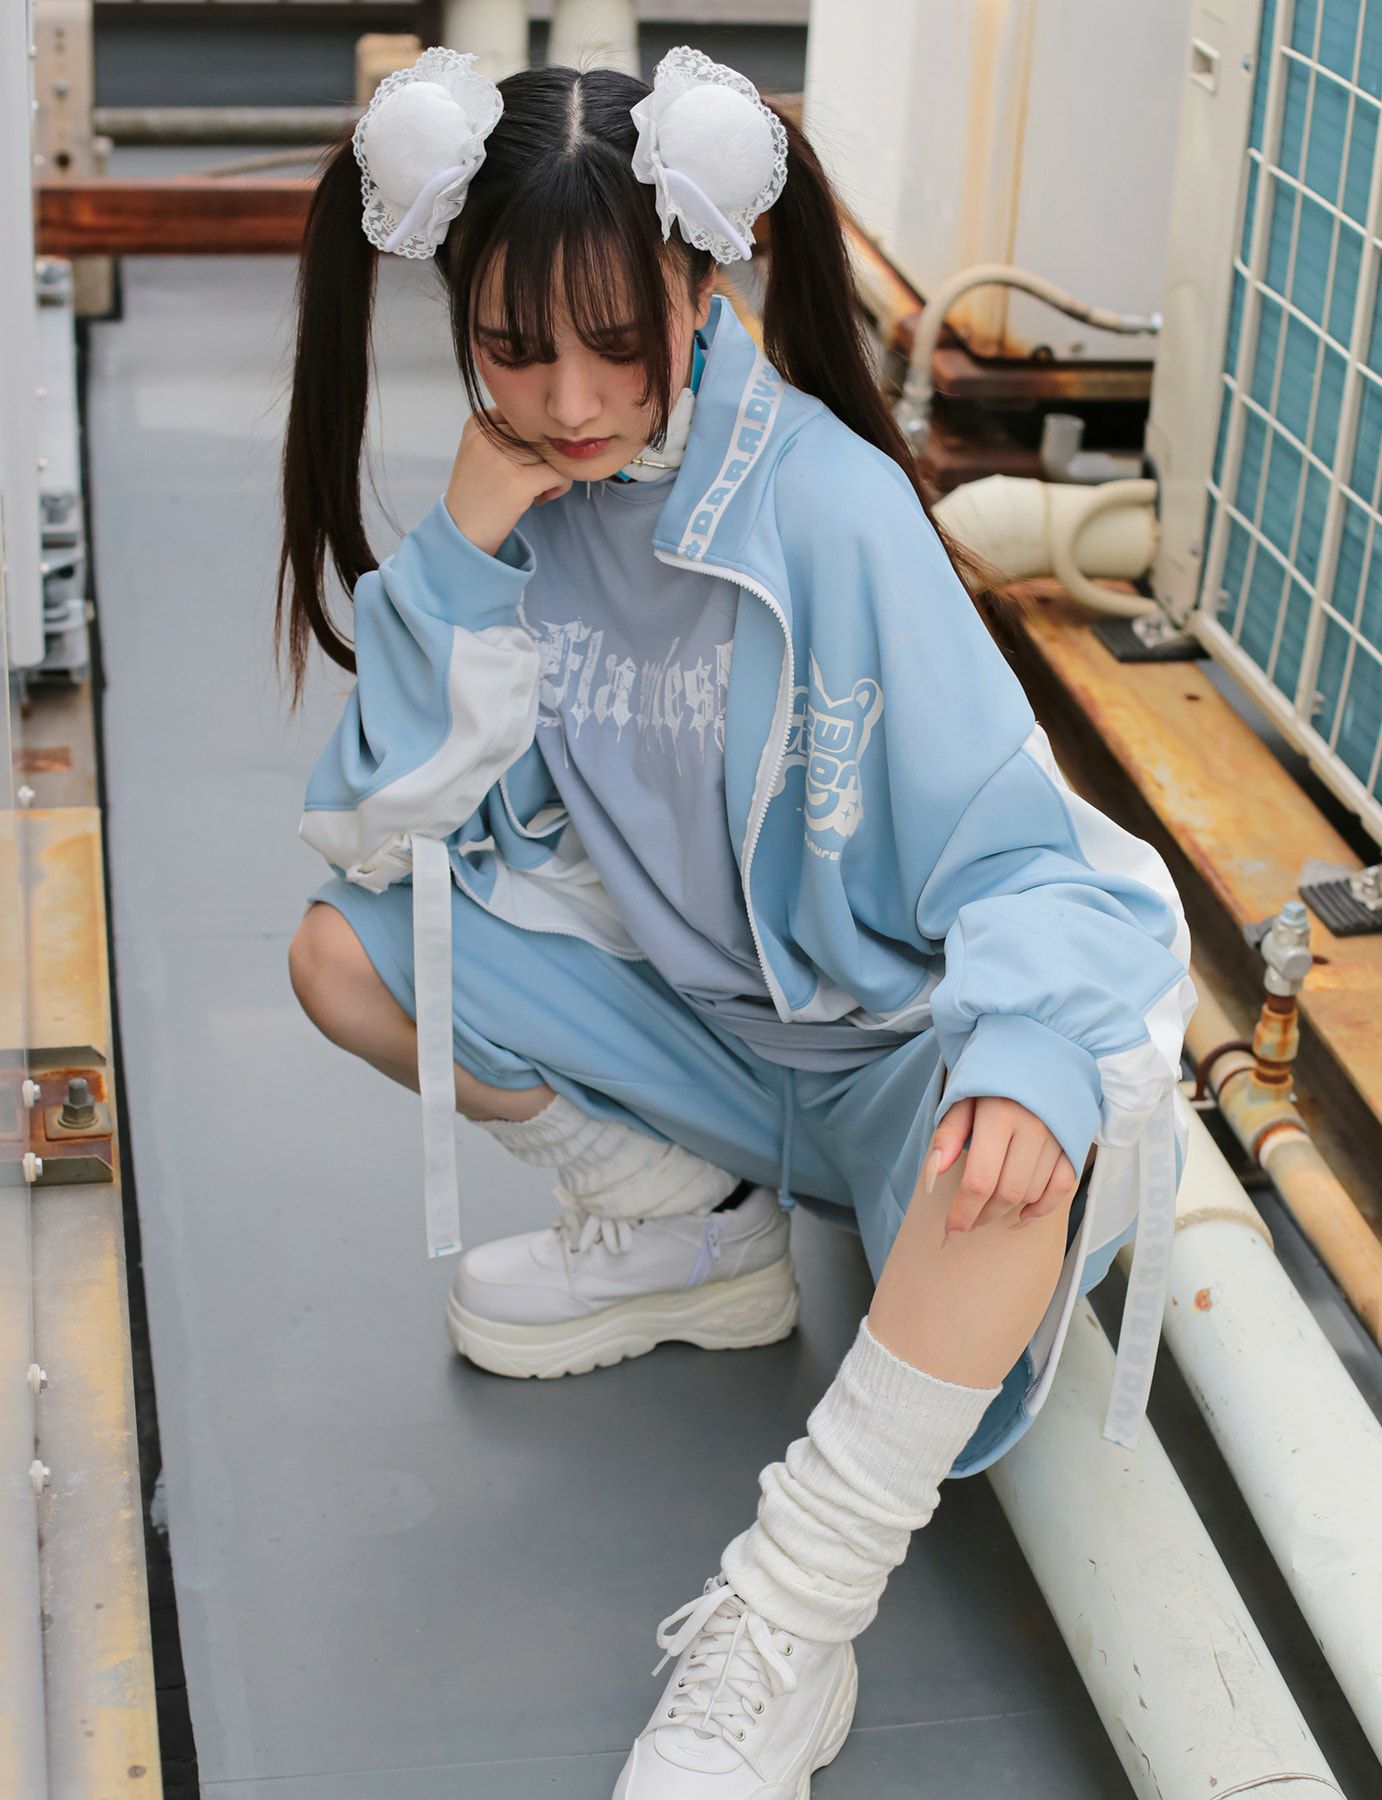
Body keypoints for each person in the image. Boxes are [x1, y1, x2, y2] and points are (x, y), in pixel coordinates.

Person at [278, 43, 1195, 1797]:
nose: (569, 400)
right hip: (700, 1044)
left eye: (617, 340)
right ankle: (694, 1233)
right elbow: (380, 833)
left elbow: (1028, 865)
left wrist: (1018, 1057)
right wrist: (459, 551)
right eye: (513, 347)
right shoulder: (522, 501)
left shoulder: (828, 509)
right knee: (340, 955)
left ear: (703, 286)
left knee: (1035, 1120)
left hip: (882, 1065)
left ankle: (789, 1620)